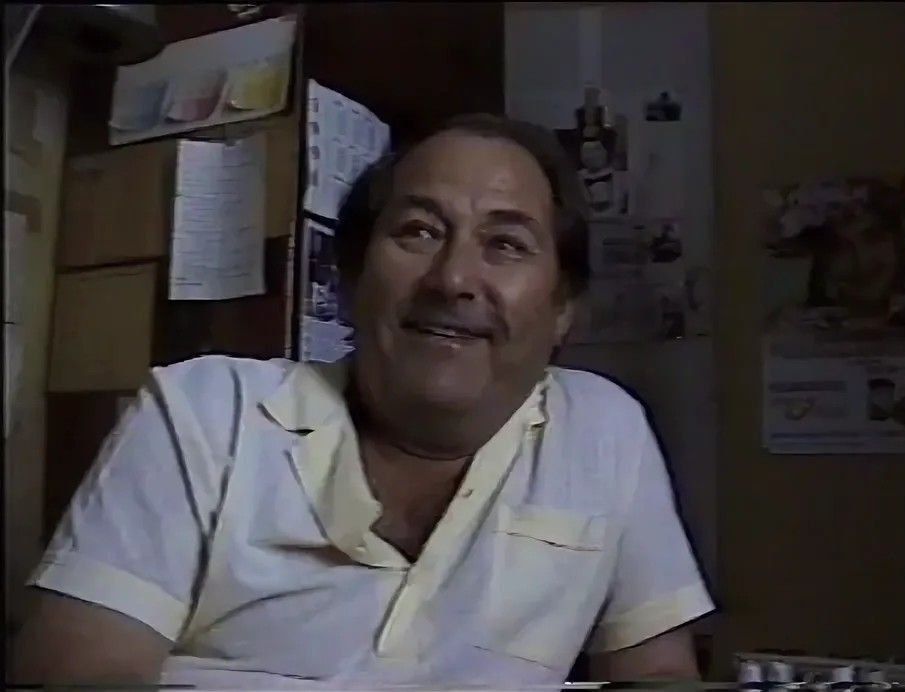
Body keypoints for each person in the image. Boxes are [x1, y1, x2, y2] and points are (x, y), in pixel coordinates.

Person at [11, 114, 714, 689]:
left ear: (562, 309)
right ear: (349, 277)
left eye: (505, 244)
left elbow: (657, 671)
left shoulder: (604, 431)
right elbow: (79, 669)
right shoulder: (204, 412)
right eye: (419, 231)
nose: (454, 279)